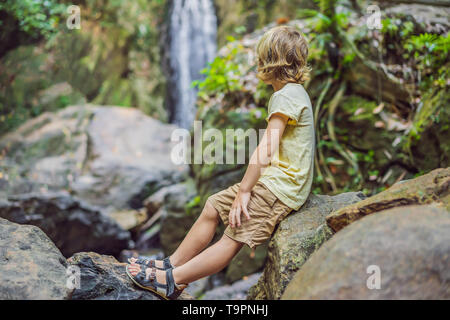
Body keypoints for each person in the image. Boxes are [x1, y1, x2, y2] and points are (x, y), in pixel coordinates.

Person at [126, 25, 315, 300]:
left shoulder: (285, 97)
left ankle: (173, 280)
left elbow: (266, 147)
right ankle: (172, 263)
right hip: (275, 181)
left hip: (281, 188)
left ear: (269, 61)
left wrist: (246, 190)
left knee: (233, 235)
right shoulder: (292, 93)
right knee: (213, 205)